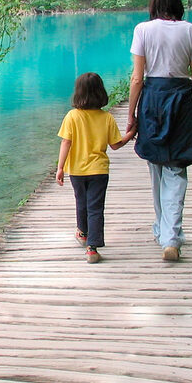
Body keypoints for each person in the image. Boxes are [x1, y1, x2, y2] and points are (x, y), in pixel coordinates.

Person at [126, 0, 192, 262]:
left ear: (153, 4)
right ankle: (169, 235)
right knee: (176, 168)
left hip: (153, 99)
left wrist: (131, 113)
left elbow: (137, 77)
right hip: (182, 99)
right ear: (177, 3)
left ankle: (166, 232)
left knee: (157, 167)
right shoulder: (190, 31)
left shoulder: (142, 30)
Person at [56, 72, 135, 263]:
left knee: (81, 202)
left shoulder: (72, 116)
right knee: (95, 207)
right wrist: (131, 133)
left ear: (78, 93)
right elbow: (115, 145)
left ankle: (82, 232)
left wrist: (60, 168)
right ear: (101, 92)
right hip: (99, 170)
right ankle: (92, 248)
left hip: (76, 170)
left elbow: (66, 142)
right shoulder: (106, 118)